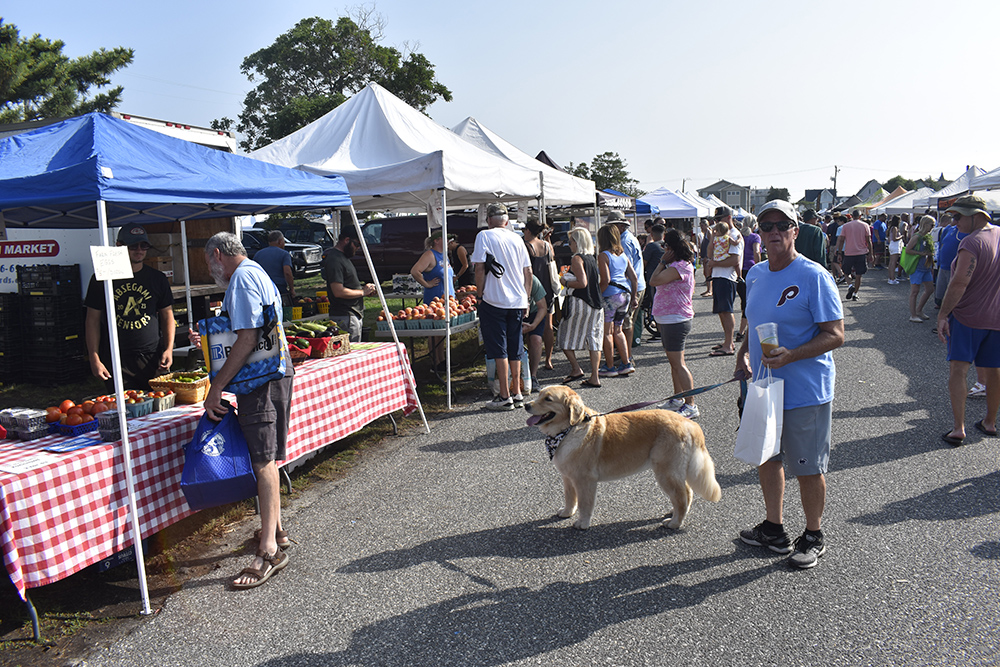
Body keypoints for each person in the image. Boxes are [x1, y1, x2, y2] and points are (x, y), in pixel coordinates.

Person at [735, 199, 844, 570]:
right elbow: (754, 319)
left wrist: (792, 355)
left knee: (808, 466)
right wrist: (742, 354)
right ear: (759, 234)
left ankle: (813, 534)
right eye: (767, 227)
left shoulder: (814, 276)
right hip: (764, 385)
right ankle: (774, 528)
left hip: (804, 388)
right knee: (768, 457)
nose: (775, 232)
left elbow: (836, 334)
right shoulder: (755, 274)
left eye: (783, 225)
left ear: (796, 230)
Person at [195, 232, 294, 588]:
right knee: (265, 455)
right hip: (270, 374)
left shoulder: (241, 279)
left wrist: (216, 387)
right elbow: (251, 331)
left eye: (209, 264)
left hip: (260, 381)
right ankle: (277, 532)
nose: (211, 271)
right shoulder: (255, 272)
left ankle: (269, 551)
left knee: (262, 460)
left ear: (218, 254)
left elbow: (249, 338)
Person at [936, 195, 1000, 446]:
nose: (954, 222)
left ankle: (958, 428)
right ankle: (990, 422)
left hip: (967, 316)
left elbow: (960, 282)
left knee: (958, 370)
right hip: (995, 317)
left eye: (958, 216)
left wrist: (942, 315)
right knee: (994, 371)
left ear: (976, 216)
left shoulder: (972, 243)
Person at [84, 223, 175, 391]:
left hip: (152, 357)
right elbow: (92, 320)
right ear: (119, 246)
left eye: (144, 245)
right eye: (133, 245)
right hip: (117, 358)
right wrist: (94, 358)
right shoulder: (102, 279)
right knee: (124, 410)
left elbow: (167, 315)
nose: (139, 250)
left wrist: (169, 349)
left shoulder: (157, 278)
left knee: (158, 409)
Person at [471, 203, 533, 411]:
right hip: (517, 300)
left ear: (488, 220)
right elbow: (528, 272)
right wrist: (526, 298)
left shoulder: (484, 236)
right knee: (515, 347)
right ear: (507, 221)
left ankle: (504, 395)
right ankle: (517, 392)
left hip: (493, 299)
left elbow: (479, 268)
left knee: (499, 348)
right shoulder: (517, 238)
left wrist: (479, 295)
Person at [649, 229, 698, 420]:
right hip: (670, 318)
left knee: (679, 364)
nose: (663, 249)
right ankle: (678, 399)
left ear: (671, 248)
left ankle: (691, 405)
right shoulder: (679, 265)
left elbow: (654, 280)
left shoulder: (678, 267)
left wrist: (661, 262)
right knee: (674, 364)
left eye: (665, 246)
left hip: (676, 319)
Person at [557, 228, 604, 388]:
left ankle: (576, 368)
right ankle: (595, 376)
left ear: (577, 242)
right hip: (596, 303)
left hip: (580, 302)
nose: (569, 245)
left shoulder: (577, 258)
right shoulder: (591, 257)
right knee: (594, 340)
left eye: (570, 242)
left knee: (563, 336)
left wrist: (565, 282)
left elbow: (582, 283)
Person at [596, 223, 638, 377]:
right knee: (618, 330)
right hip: (625, 295)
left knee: (607, 333)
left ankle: (610, 366)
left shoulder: (603, 256)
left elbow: (605, 280)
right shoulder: (623, 255)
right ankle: (626, 362)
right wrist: (633, 297)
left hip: (610, 296)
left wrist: (597, 294)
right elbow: (634, 278)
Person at [410, 230, 456, 371]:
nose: (449, 241)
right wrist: (427, 284)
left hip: (447, 300)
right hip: (434, 299)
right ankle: (436, 362)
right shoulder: (430, 254)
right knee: (435, 332)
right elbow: (415, 271)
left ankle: (442, 360)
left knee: (442, 332)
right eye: (445, 238)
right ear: (436, 240)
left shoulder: (444, 255)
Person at [324, 229, 377, 342]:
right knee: (350, 353)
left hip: (352, 314)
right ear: (347, 240)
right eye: (356, 244)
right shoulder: (335, 259)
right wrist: (363, 292)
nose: (358, 248)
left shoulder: (343, 258)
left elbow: (348, 285)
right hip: (345, 315)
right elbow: (338, 291)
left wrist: (364, 289)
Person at [706, 206, 744, 356]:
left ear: (728, 218)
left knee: (726, 310)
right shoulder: (722, 234)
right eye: (715, 220)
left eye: (719, 219)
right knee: (722, 310)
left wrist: (715, 263)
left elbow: (735, 259)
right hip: (719, 276)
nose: (716, 223)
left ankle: (728, 344)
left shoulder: (733, 234)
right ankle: (728, 341)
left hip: (726, 277)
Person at [609, 212, 645, 361]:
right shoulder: (630, 238)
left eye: (612, 225)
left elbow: (626, 269)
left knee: (625, 323)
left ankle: (627, 356)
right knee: (626, 322)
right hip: (635, 285)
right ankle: (625, 353)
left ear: (620, 225)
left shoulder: (624, 242)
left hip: (630, 287)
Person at [523, 219, 557, 371]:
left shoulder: (526, 246)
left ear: (528, 231)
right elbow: (552, 259)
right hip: (548, 289)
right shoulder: (547, 245)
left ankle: (533, 361)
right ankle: (548, 359)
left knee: (532, 327)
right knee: (548, 326)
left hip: (533, 289)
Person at [836, 209, 874, 301]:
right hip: (861, 253)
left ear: (852, 216)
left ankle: (850, 285)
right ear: (860, 216)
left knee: (846, 272)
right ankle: (855, 293)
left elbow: (841, 240)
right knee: (859, 274)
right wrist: (871, 254)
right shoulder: (865, 225)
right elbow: (869, 241)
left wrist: (839, 252)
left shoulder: (846, 226)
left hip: (849, 252)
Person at [905, 215, 936, 323]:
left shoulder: (927, 236)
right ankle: (913, 315)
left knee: (930, 289)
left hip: (926, 267)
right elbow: (908, 249)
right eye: (931, 225)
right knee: (915, 291)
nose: (932, 227)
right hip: (917, 267)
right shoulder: (917, 236)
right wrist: (921, 253)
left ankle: (919, 310)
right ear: (925, 224)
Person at [253, 230, 296, 306]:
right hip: (279, 287)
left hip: (263, 288)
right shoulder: (284, 254)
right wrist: (292, 289)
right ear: (280, 241)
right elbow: (287, 272)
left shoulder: (258, 254)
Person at [736, 215, 761, 343]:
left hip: (739, 270)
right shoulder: (755, 237)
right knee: (751, 301)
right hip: (751, 269)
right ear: (755, 225)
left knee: (744, 301)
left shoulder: (738, 236)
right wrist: (759, 267)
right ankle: (742, 331)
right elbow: (756, 252)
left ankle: (743, 329)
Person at [521, 274, 548, 391]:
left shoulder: (533, 280)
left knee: (536, 340)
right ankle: (513, 378)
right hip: (513, 312)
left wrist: (533, 326)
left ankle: (533, 376)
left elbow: (543, 307)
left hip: (534, 312)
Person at [642, 223, 666, 341]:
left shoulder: (651, 246)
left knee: (656, 304)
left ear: (651, 234)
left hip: (653, 279)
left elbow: (644, 263)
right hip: (666, 278)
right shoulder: (666, 246)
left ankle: (660, 332)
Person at [886, 216, 904, 284]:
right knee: (893, 263)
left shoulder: (891, 228)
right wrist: (901, 236)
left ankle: (890, 277)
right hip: (895, 245)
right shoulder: (895, 228)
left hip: (892, 245)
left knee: (891, 262)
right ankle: (892, 278)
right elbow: (894, 238)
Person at [699, 219, 713, 297]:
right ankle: (708, 289)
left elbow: (711, 245)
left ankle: (710, 290)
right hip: (704, 256)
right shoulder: (705, 233)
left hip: (707, 257)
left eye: (702, 226)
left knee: (708, 273)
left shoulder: (709, 233)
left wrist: (708, 256)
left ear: (706, 225)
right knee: (705, 273)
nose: (701, 227)